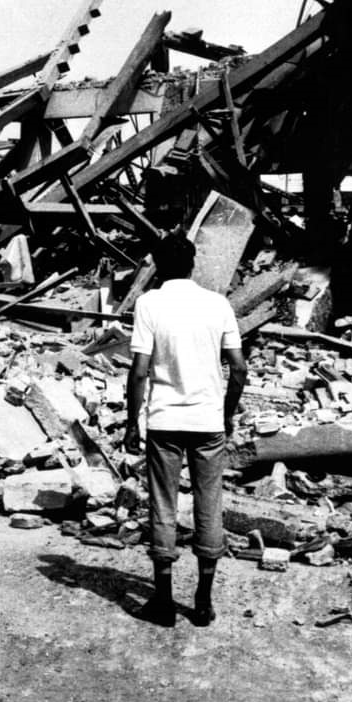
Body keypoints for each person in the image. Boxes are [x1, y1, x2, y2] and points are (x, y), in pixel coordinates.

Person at [123, 233, 247, 628]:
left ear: (158, 265)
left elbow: (139, 370)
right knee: (209, 504)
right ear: (193, 264)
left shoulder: (149, 303)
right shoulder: (218, 304)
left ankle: (163, 601)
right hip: (208, 422)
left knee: (163, 505)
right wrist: (225, 414)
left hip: (164, 422)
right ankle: (203, 601)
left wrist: (131, 421)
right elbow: (239, 369)